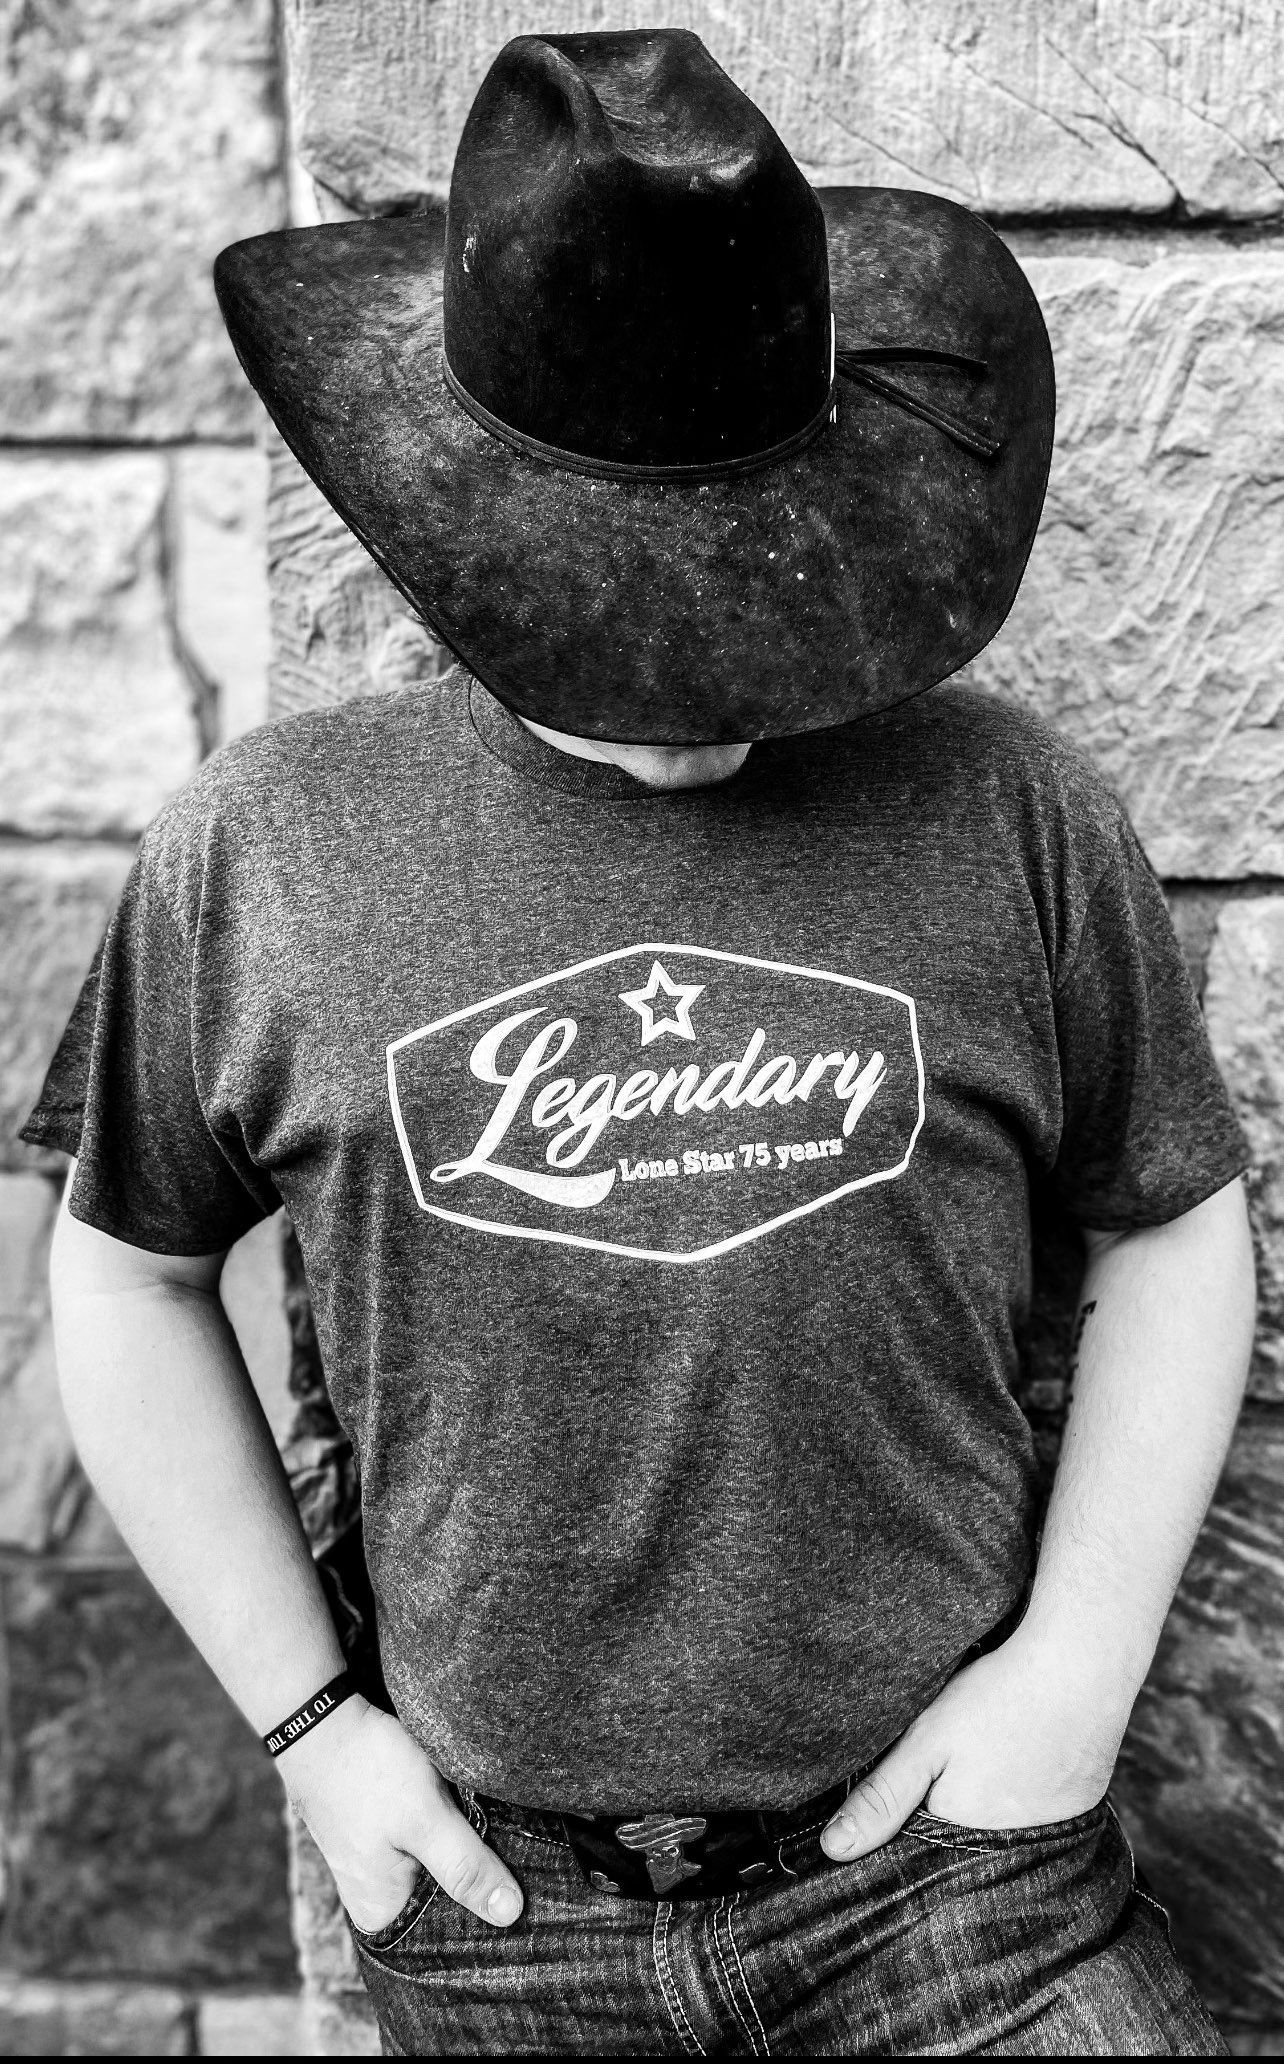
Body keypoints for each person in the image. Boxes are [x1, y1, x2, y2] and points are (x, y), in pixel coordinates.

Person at [29, 29, 1254, 2058]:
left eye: (744, 593)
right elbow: (127, 1267)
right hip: (507, 1923)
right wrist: (315, 1730)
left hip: (959, 1890)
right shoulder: (262, 850)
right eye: (618, 609)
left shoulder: (1005, 808)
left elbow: (1175, 1225)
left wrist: (1078, 1675)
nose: (692, 692)